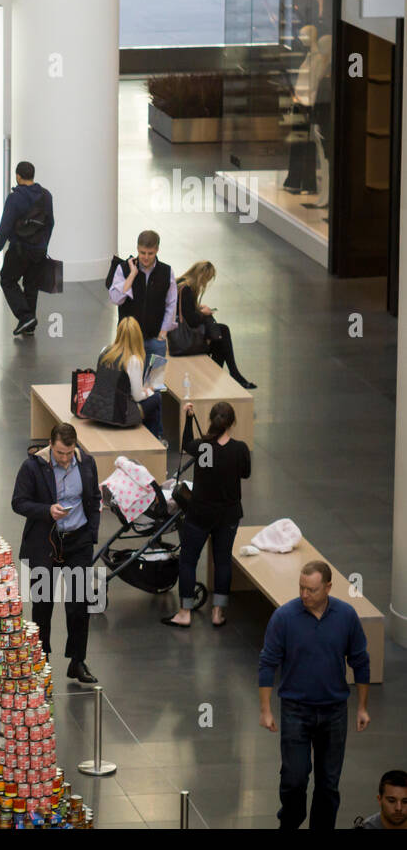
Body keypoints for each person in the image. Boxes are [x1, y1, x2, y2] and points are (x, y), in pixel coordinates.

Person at [258, 559, 372, 830]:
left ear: (328, 587)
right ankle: (290, 821)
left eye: (311, 590)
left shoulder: (346, 616)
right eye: (301, 588)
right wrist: (265, 709)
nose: (304, 595)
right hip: (296, 709)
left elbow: (360, 661)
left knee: (328, 783)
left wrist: (363, 707)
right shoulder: (285, 617)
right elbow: (267, 663)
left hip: (334, 711)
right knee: (294, 778)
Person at [11, 423, 102, 685]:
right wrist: (47, 510)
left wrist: (91, 533)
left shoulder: (87, 463)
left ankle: (77, 661)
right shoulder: (32, 466)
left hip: (78, 541)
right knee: (42, 604)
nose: (65, 458)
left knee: (79, 605)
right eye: (60, 453)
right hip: (43, 543)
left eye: (69, 452)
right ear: (51, 445)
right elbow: (18, 502)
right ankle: (41, 660)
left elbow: (94, 498)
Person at [161, 401, 251, 629]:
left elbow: (186, 444)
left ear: (211, 421)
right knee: (222, 561)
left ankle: (184, 612)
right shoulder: (240, 449)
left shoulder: (203, 447)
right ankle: (218, 612)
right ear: (232, 423)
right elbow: (246, 473)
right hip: (228, 514)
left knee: (189, 561)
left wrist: (190, 418)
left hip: (200, 513)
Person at [0, 160, 54, 336]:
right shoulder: (46, 196)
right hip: (39, 250)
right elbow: (50, 223)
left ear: (18, 176)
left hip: (19, 249)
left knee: (8, 281)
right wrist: (43, 244)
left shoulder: (15, 198)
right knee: (31, 286)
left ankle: (25, 317)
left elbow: (5, 226)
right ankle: (29, 326)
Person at [175, 261, 256, 390]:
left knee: (220, 335)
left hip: (180, 332)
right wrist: (204, 313)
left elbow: (185, 311)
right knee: (222, 332)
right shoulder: (187, 289)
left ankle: (225, 374)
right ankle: (230, 374)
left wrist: (197, 309)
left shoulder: (181, 283)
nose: (205, 284)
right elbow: (191, 320)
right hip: (184, 338)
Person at [109, 229, 176, 359]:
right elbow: (116, 299)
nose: (145, 257)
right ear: (137, 249)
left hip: (155, 340)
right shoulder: (123, 269)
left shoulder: (166, 272)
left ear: (157, 250)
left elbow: (171, 304)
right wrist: (132, 275)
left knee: (154, 379)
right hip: (128, 339)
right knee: (127, 379)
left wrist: (163, 334)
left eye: (150, 253)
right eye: (142, 253)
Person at [98, 317, 162, 440]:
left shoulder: (104, 351)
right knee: (156, 397)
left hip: (101, 410)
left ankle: (155, 438)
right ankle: (154, 438)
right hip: (120, 415)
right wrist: (149, 391)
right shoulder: (133, 360)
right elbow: (137, 397)